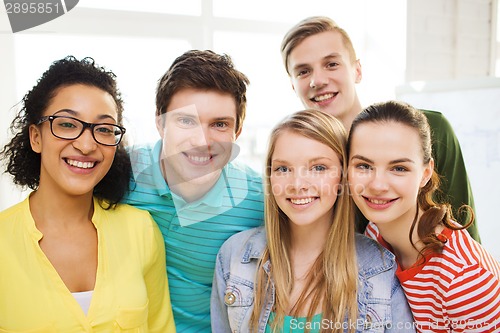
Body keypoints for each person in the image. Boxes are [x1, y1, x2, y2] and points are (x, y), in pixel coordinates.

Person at [0, 56, 175, 331]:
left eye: (104, 129)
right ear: (36, 137)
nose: (86, 144)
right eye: (68, 124)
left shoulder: (141, 230)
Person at [211, 109, 415, 333]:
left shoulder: (379, 268)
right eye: (283, 168)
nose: (297, 184)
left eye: (318, 168)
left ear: (343, 176)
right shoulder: (235, 257)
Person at [280, 16, 479, 242]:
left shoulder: (433, 130)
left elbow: (466, 236)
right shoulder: (303, 164)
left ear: (357, 70)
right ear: (292, 84)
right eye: (303, 71)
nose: (317, 80)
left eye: (332, 64)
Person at [123, 49, 264, 332]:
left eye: (220, 124)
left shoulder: (260, 199)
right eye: (186, 120)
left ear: (237, 132)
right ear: (160, 122)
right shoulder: (119, 173)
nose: (202, 140)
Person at [347, 100, 500, 332]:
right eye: (364, 166)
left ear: (425, 174)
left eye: (399, 168)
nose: (377, 185)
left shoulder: (464, 279)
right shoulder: (374, 233)